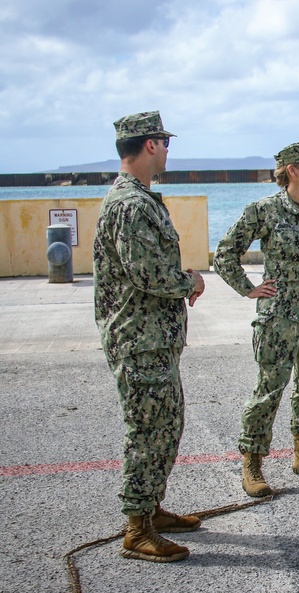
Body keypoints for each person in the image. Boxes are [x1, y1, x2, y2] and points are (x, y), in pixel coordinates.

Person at [93, 111, 206, 563]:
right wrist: (191, 282)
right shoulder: (131, 205)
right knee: (148, 429)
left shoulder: (141, 198)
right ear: (151, 145)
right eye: (165, 142)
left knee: (166, 424)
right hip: (139, 338)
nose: (168, 150)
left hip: (154, 338)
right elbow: (149, 273)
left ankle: (151, 508)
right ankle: (137, 528)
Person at [213, 142, 299, 497]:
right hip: (279, 315)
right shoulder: (265, 211)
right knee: (269, 388)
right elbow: (225, 253)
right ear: (291, 170)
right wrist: (248, 288)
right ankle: (252, 463)